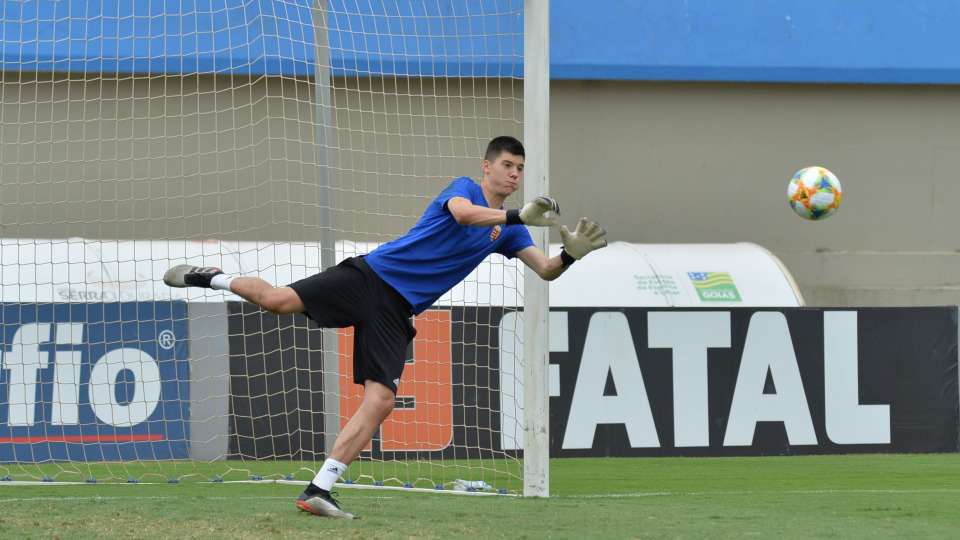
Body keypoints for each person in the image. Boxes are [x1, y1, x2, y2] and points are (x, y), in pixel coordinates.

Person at [163, 135, 607, 519]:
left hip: (397, 311)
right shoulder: (465, 189)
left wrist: (572, 255)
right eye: (507, 166)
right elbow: (464, 215)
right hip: (370, 277)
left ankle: (318, 490)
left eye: (520, 170)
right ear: (487, 167)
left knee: (381, 401)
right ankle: (210, 276)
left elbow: (546, 270)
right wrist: (517, 216)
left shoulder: (509, 232)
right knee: (277, 301)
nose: (513, 175)